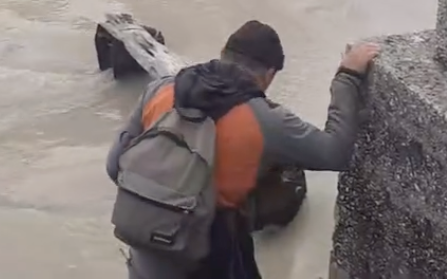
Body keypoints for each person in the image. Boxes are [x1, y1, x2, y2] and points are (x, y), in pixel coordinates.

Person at [105, 21, 379, 279]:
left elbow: (115, 164)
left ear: (224, 54)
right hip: (203, 255)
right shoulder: (265, 119)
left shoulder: (161, 89)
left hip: (142, 237)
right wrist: (348, 76)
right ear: (269, 75)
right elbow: (335, 152)